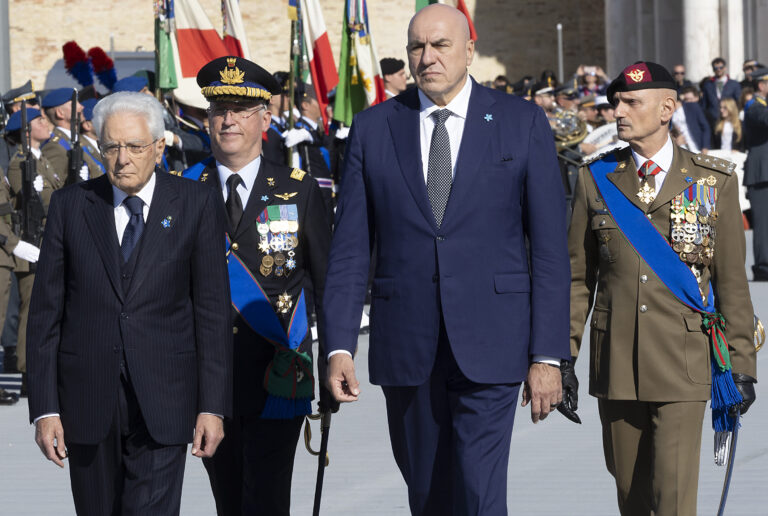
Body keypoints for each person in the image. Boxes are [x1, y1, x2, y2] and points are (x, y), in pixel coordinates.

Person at [322, 4, 570, 515]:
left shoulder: (519, 121)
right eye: (417, 46)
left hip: (493, 343)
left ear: (470, 51)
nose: (427, 57)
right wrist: (339, 346)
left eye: (440, 45)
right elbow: (349, 251)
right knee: (428, 494)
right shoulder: (374, 128)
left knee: (479, 492)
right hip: (407, 346)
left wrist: (549, 355)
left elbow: (548, 251)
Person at [26, 91, 233, 515]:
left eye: (135, 146)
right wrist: (44, 409)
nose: (123, 159)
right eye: (112, 147)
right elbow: (46, 315)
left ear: (158, 147)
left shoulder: (194, 204)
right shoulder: (71, 207)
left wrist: (213, 405)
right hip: (87, 402)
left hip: (165, 399)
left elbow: (211, 311)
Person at [568, 61, 757, 516]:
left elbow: (731, 282)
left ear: (666, 108)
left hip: (684, 361)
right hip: (616, 363)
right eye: (615, 101)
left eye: (631, 102)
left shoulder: (714, 181)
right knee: (630, 496)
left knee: (673, 498)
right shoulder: (594, 179)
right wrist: (560, 356)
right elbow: (577, 279)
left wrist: (742, 364)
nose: (618, 111)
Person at [184, 56, 334, 516]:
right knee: (228, 499)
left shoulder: (300, 189)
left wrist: (333, 361)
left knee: (268, 499)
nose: (227, 119)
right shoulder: (183, 189)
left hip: (277, 374)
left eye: (242, 109)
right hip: (207, 379)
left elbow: (327, 284)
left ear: (265, 118)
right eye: (218, 109)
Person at [5, 108, 57, 394]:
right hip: (31, 244)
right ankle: (26, 371)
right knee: (31, 310)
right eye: (39, 121)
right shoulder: (19, 163)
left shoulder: (43, 160)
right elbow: (23, 206)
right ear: (26, 132)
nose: (46, 123)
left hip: (48, 240)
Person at [39, 88, 104, 183]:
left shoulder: (80, 140)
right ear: (60, 113)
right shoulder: (55, 147)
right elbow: (57, 188)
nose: (81, 107)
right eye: (75, 103)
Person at [743, 68, 768, 280]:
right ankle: (763, 266)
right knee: (763, 222)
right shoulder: (754, 107)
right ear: (762, 85)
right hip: (761, 173)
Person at [700, 57, 742, 123]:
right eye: (716, 68)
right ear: (713, 70)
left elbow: (738, 102)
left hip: (730, 118)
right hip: (712, 119)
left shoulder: (734, 84)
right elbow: (704, 104)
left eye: (721, 67)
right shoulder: (708, 85)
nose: (718, 70)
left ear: (725, 68)